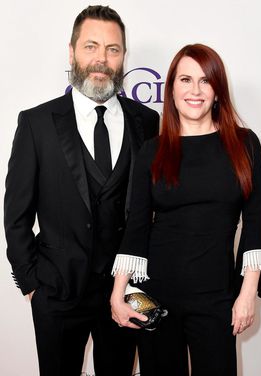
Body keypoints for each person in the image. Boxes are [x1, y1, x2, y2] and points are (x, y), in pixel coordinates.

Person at [4, 5, 160, 376]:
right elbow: (16, 214)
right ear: (72, 51)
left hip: (126, 293)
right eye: (91, 46)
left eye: (113, 49)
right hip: (56, 292)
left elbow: (155, 208)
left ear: (123, 56)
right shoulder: (37, 123)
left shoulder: (148, 122)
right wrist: (32, 285)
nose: (101, 59)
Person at [110, 43, 261, 376]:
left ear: (218, 91)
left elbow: (256, 223)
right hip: (156, 296)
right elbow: (137, 227)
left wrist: (247, 295)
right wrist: (118, 294)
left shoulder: (244, 144)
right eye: (185, 80)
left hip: (216, 297)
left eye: (205, 80)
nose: (195, 90)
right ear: (171, 88)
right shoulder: (152, 151)